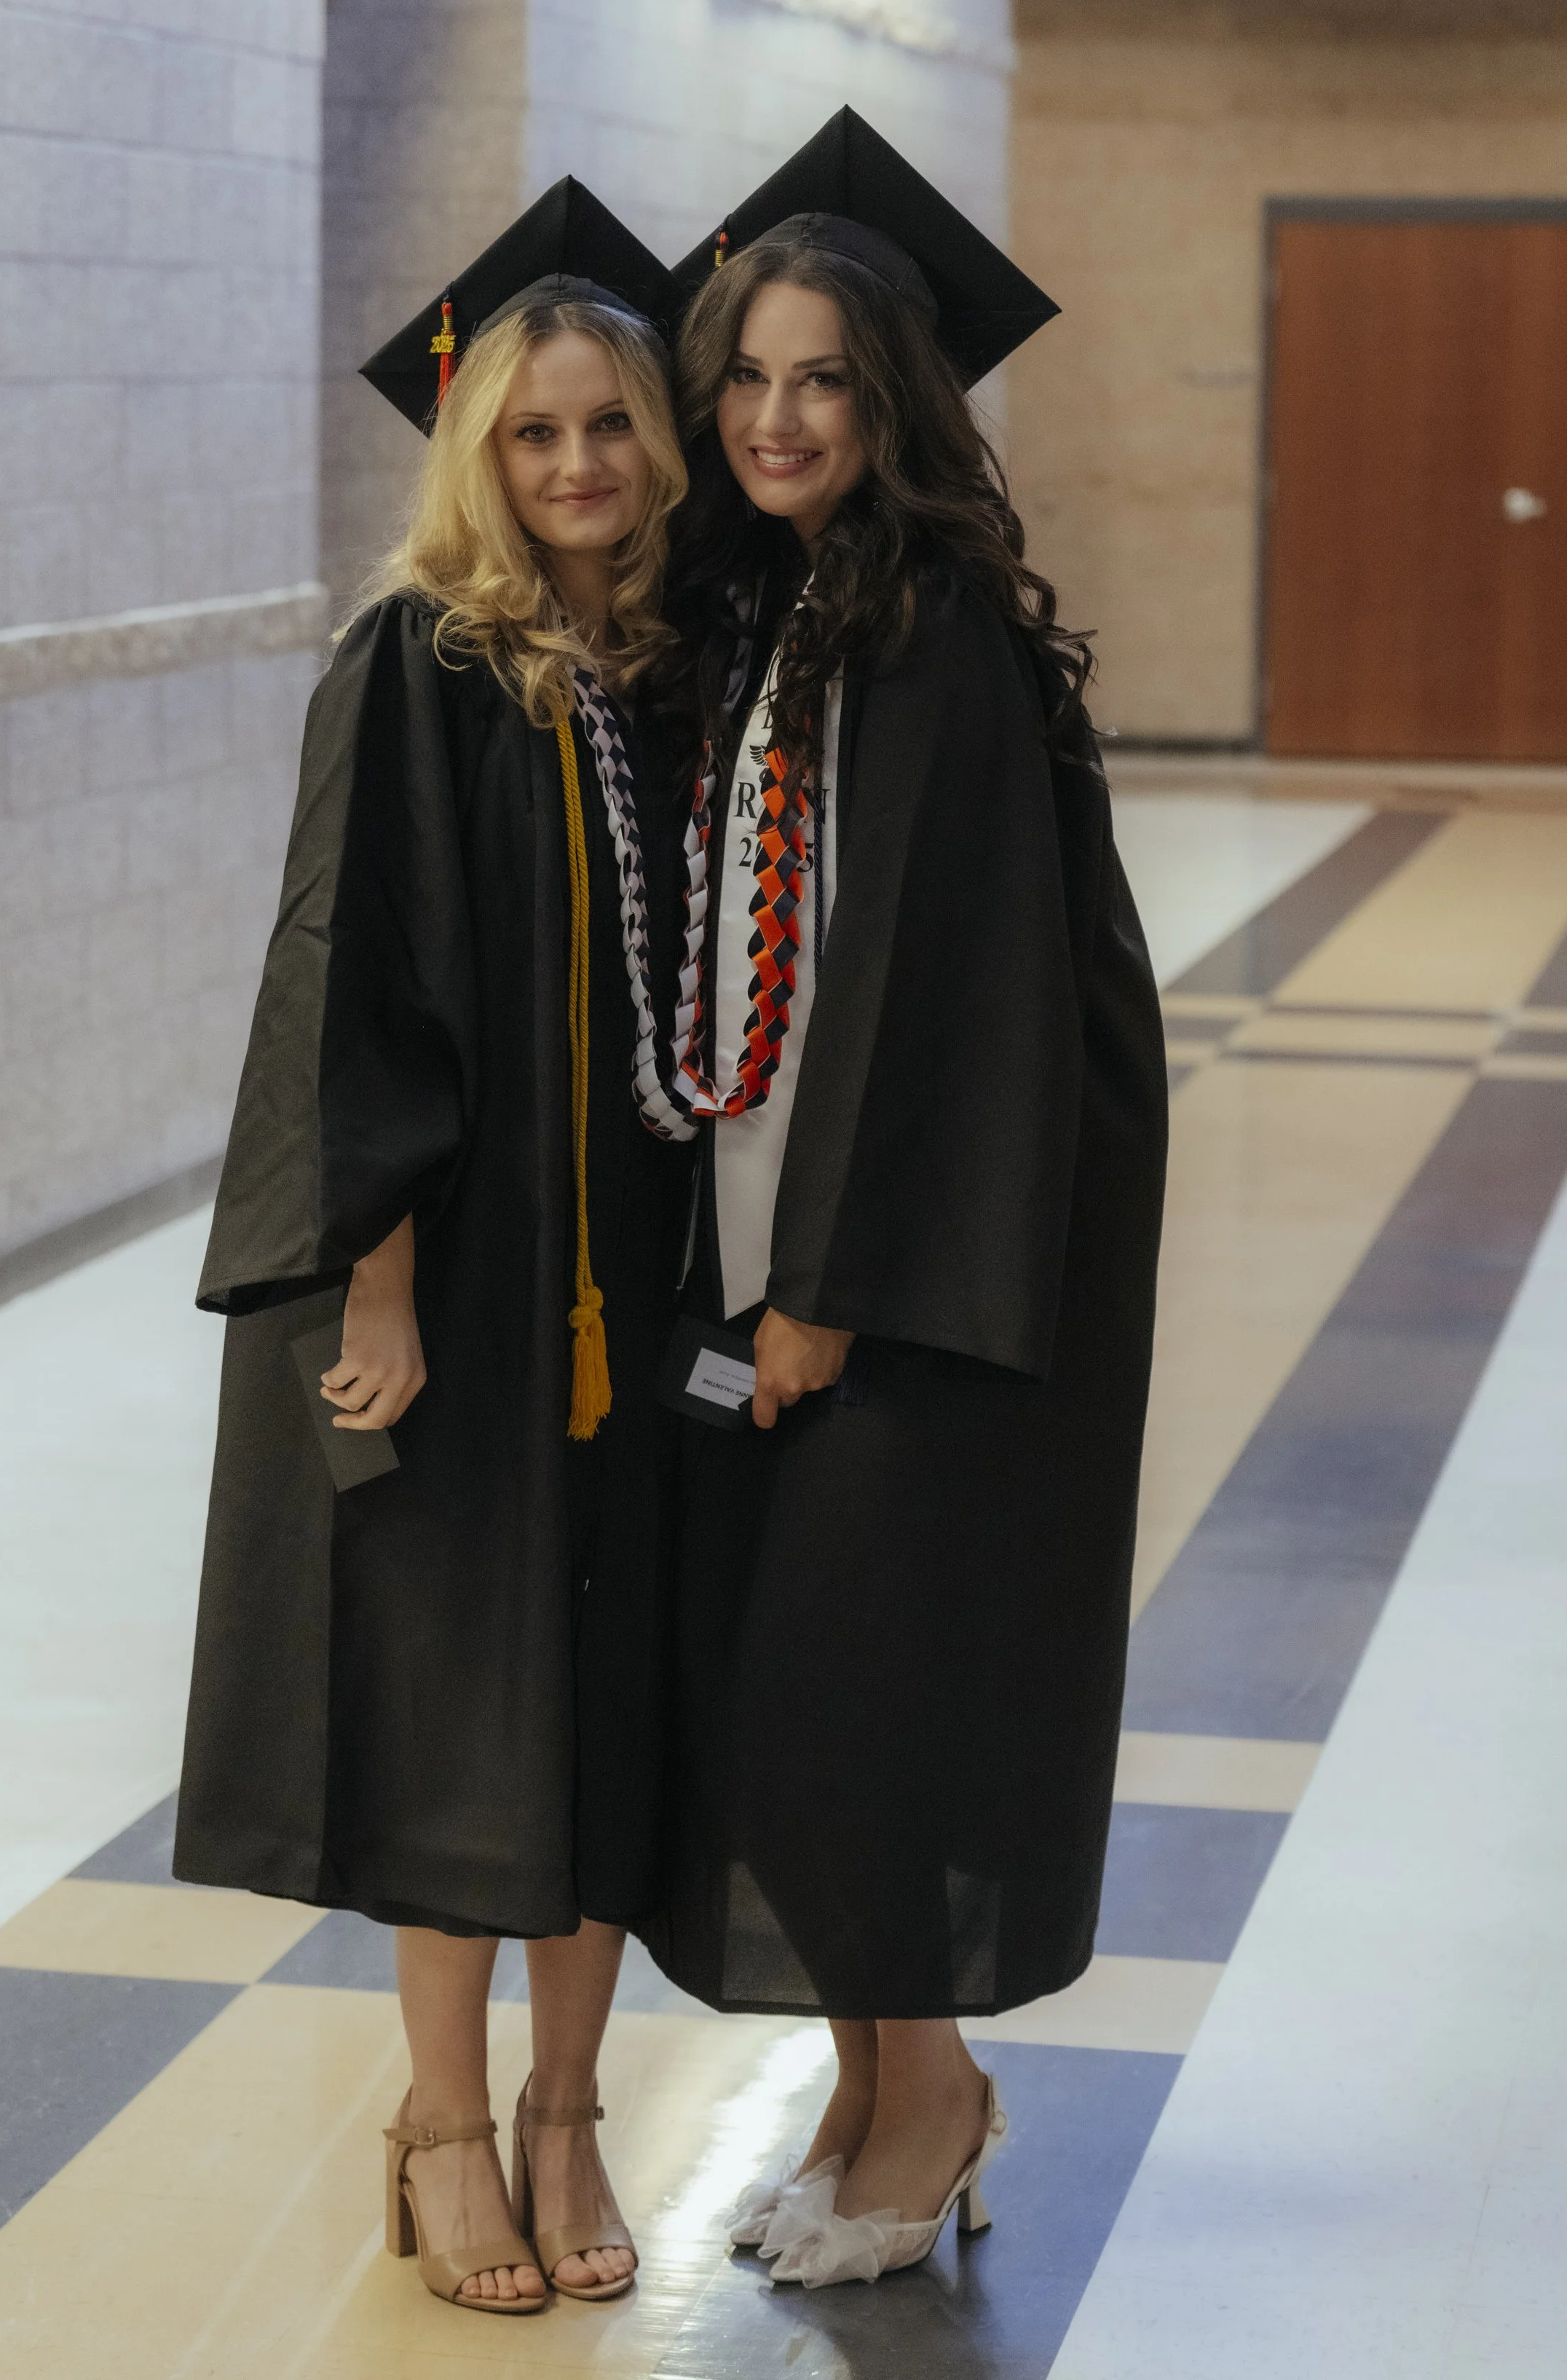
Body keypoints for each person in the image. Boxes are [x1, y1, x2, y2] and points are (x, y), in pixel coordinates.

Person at [637, 109, 1170, 2287]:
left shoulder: (931, 633)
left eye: (822, 379)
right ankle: (871, 2092)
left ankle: (928, 2087)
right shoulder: (788, 620)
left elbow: (929, 1001)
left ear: (894, 403)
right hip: (780, 1251)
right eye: (745, 376)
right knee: (790, 1691)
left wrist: (826, 1286)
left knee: (847, 1695)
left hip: (896, 1282)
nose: (774, 416)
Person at [173, 180, 701, 2316]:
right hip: (471, 1277)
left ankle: (575, 2104)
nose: (572, 466)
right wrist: (372, 1280)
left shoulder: (675, 665)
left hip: (644, 1259)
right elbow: (353, 986)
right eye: (531, 433)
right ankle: (440, 2120)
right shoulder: (420, 660)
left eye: (605, 428)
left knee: (606, 1687)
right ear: (473, 450)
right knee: (458, 1699)